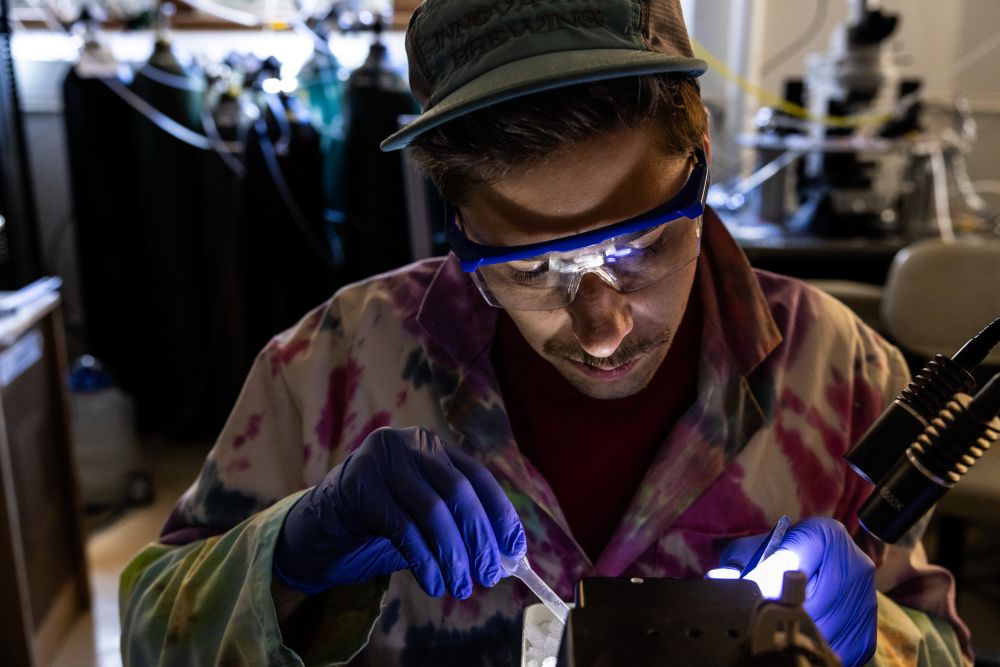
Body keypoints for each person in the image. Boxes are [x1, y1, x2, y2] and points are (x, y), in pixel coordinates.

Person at [120, 1, 972, 665]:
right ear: (457, 221)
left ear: (700, 151)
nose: (601, 329)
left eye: (639, 245)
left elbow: (944, 651)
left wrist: (876, 639)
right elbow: (153, 638)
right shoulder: (328, 369)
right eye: (532, 267)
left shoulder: (841, 371)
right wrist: (296, 555)